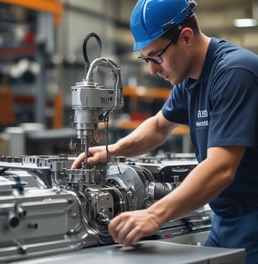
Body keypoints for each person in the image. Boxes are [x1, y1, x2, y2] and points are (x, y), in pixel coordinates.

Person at [71, 0, 258, 263]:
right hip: (225, 219)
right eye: (146, 59)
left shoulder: (234, 73)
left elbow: (221, 168)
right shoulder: (190, 79)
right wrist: (111, 151)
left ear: (186, 37)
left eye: (157, 57)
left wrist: (154, 215)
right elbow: (159, 126)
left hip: (252, 220)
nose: (152, 69)